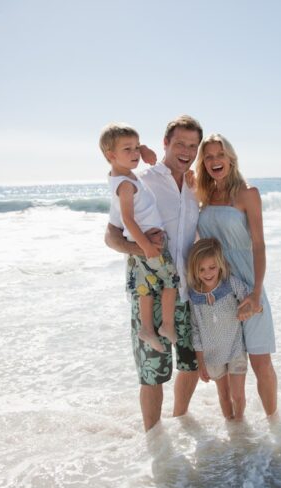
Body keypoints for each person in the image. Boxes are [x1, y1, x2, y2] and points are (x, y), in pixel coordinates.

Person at [104, 115, 204, 431]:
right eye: (180, 144)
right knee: (152, 374)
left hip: (188, 291)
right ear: (165, 143)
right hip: (150, 292)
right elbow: (111, 236)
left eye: (193, 146)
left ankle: (180, 424)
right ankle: (154, 441)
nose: (186, 151)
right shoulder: (140, 180)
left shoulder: (195, 187)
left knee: (191, 364)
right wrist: (143, 249)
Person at [195, 133, 278, 417]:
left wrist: (255, 293)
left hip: (248, 285)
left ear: (231, 158)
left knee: (260, 362)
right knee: (226, 365)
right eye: (208, 157)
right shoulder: (204, 196)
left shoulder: (247, 193)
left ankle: (275, 424)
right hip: (218, 290)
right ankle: (236, 431)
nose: (215, 161)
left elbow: (259, 244)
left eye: (220, 155)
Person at [101, 122, 178, 352]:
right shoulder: (125, 184)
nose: (135, 153)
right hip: (147, 242)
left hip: (143, 241)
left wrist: (142, 150)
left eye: (136, 146)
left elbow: (132, 152)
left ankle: (146, 329)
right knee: (171, 281)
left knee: (146, 287)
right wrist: (146, 246)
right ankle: (167, 325)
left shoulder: (122, 174)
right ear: (111, 155)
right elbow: (127, 219)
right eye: (128, 149)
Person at [187, 238, 252, 421]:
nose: (208, 273)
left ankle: (240, 425)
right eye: (201, 269)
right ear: (194, 270)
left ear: (220, 265)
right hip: (212, 355)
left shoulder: (230, 284)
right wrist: (201, 363)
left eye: (212, 267)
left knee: (237, 395)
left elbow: (250, 298)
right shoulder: (194, 296)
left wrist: (246, 309)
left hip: (235, 348)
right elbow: (195, 330)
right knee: (223, 395)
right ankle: (230, 425)